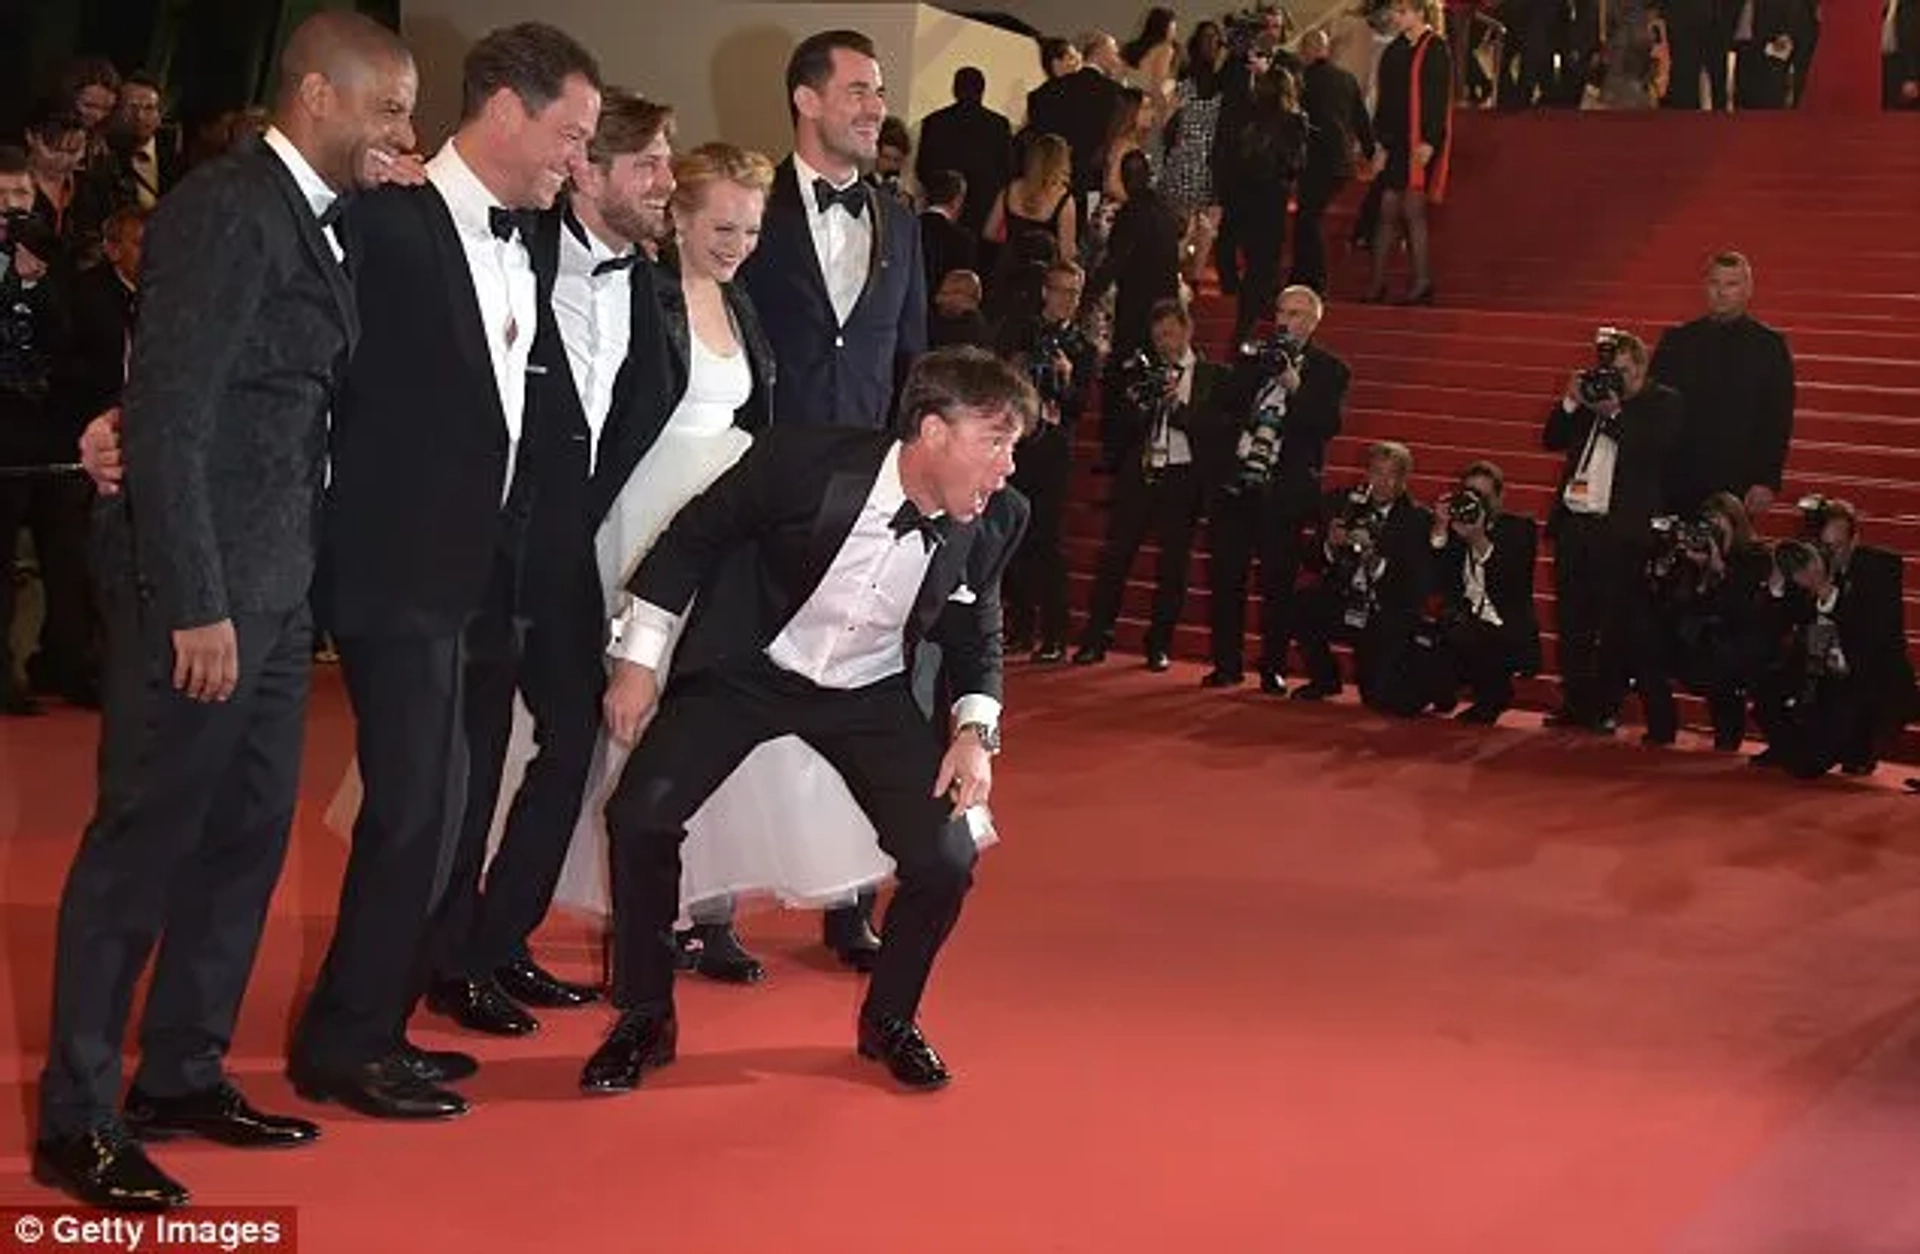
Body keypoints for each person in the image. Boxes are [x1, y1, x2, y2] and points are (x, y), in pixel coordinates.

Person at [34, 12, 419, 1211]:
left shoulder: (323, 222)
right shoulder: (226, 208)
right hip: (196, 604)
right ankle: (78, 1116)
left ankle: (183, 1073)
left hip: (271, 596)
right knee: (140, 850)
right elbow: (174, 414)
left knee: (247, 842)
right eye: (390, 108)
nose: (403, 132)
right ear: (317, 94)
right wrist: (195, 603)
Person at [289, 21, 602, 1122]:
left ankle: (375, 1021)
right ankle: (341, 1042)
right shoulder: (382, 219)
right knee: (412, 810)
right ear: (505, 112)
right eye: (569, 134)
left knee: (450, 808)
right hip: (395, 566)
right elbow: (306, 368)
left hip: (486, 576)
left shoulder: (535, 235)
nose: (577, 159)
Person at [581, 346, 1032, 1095]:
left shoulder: (995, 519)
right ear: (933, 432)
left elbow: (976, 630)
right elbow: (694, 536)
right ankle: (644, 1015)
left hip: (869, 691)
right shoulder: (804, 461)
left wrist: (973, 734)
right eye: (995, 442)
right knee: (639, 816)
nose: (1007, 467)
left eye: (1013, 447)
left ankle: (891, 1018)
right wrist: (639, 659)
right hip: (748, 669)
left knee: (946, 860)